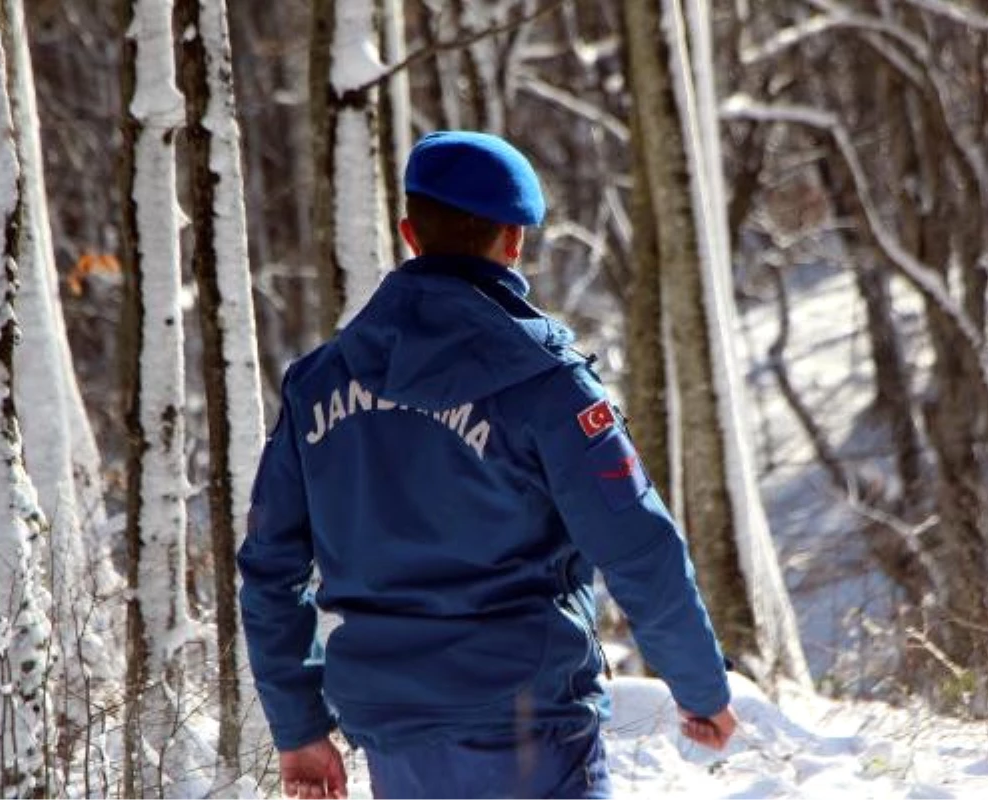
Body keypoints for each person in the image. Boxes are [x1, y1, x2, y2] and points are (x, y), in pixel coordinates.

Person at [238, 131, 737, 800]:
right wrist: (701, 688)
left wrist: (298, 725)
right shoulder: (548, 387)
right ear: (515, 240)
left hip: (396, 733)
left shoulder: (316, 386)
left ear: (410, 232)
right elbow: (637, 546)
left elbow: (271, 569)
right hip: (534, 729)